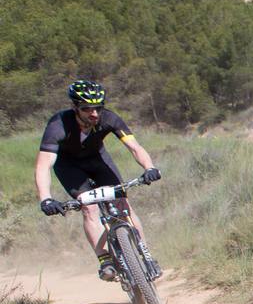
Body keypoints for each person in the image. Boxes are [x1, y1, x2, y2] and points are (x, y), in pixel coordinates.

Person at [35, 80, 162, 280]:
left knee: (123, 205)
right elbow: (43, 165)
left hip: (98, 161)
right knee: (89, 208)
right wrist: (46, 198)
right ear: (74, 107)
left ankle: (145, 254)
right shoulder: (58, 125)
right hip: (70, 167)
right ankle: (105, 260)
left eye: (98, 108)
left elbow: (134, 147)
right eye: (87, 109)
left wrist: (150, 167)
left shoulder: (109, 118)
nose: (94, 114)